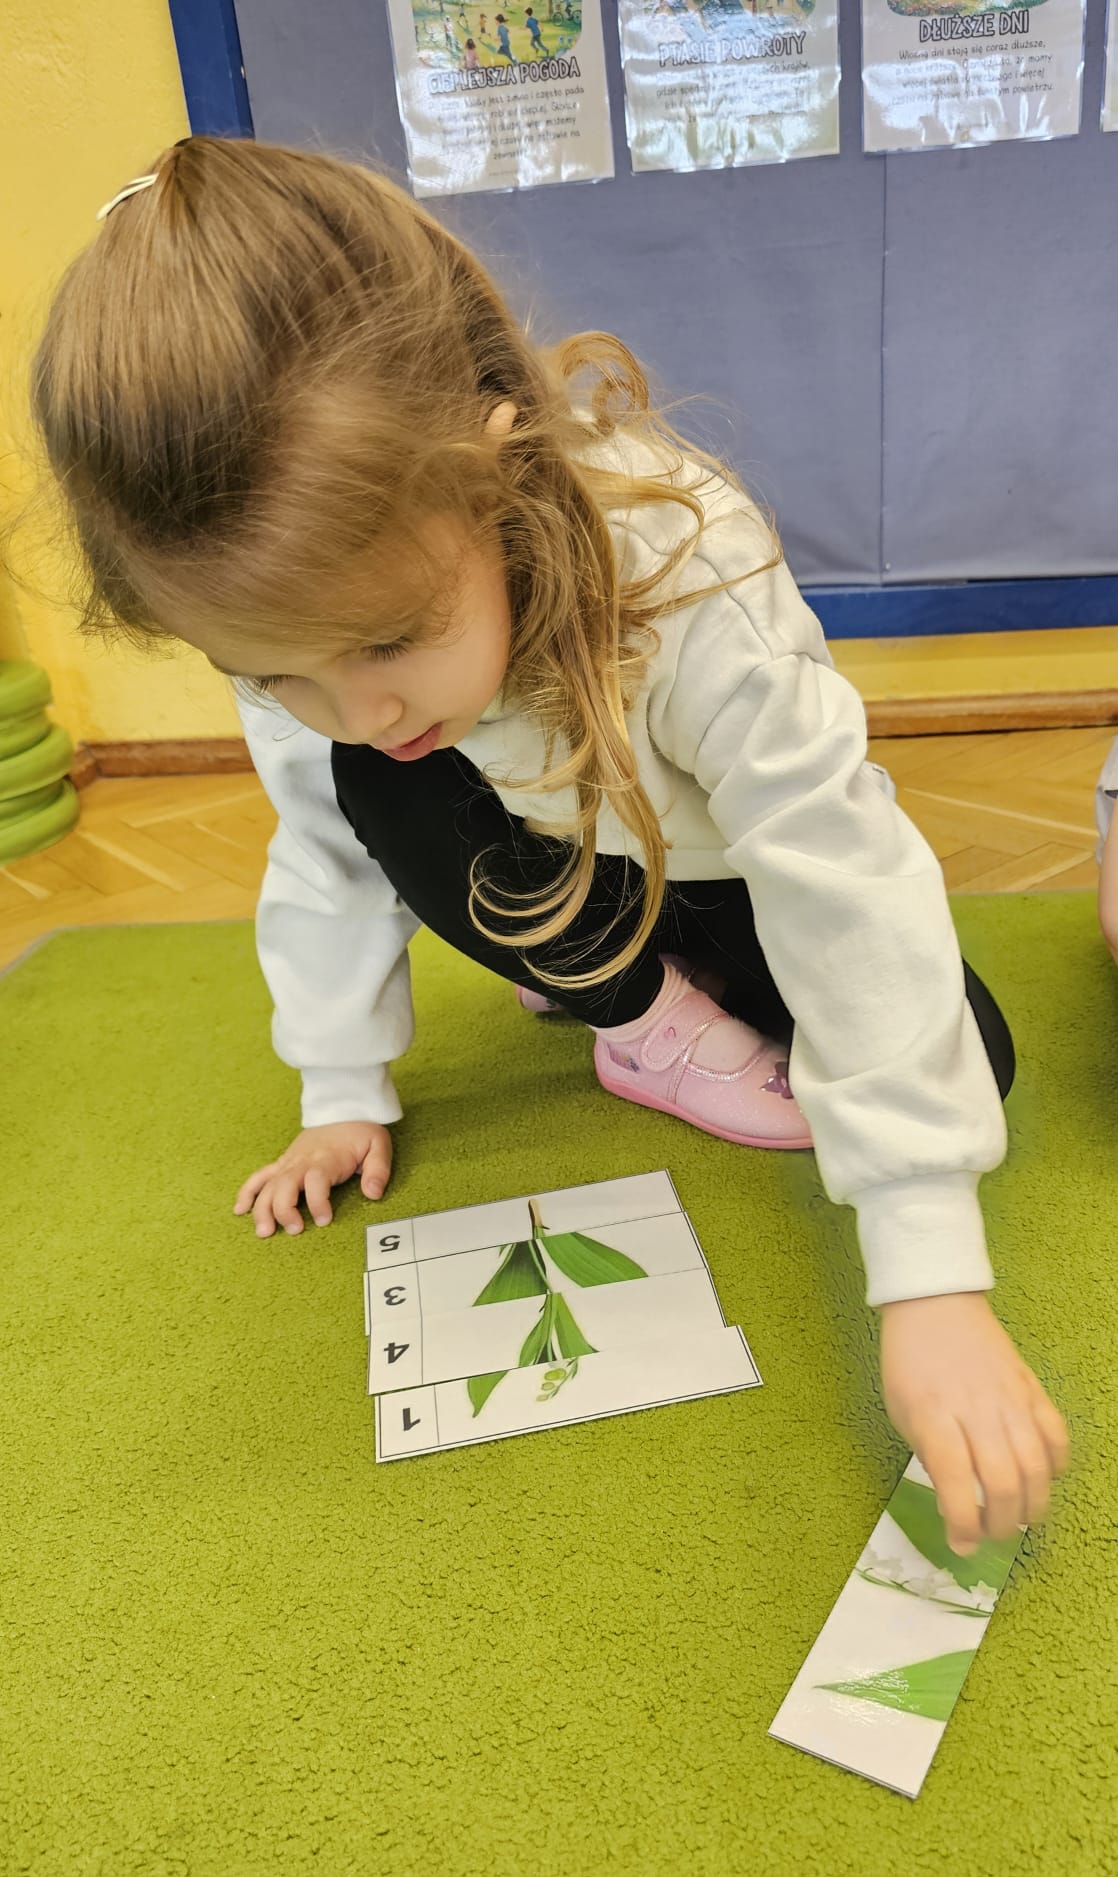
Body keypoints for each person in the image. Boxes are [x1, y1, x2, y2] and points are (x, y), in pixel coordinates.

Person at [33, 137, 1067, 1555]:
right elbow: (326, 847)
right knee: (377, 783)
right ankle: (632, 1016)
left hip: (712, 869)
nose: (354, 705)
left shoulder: (685, 562)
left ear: (498, 460)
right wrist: (339, 1087)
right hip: (535, 852)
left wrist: (931, 1281)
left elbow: (830, 863)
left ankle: (606, 965)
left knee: (969, 1063)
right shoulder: (316, 664)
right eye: (275, 673)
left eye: (390, 637)